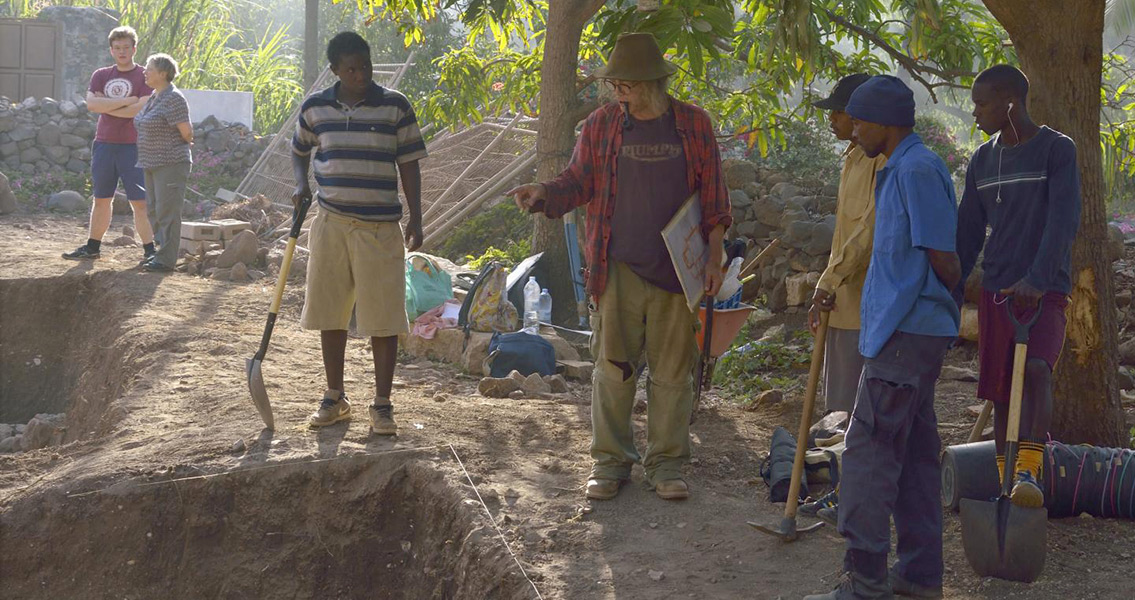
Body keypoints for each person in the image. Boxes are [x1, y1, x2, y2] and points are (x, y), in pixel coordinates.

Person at [507, 33, 732, 502]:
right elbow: (578, 180)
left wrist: (714, 256)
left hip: (676, 270)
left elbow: (714, 199)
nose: (617, 92)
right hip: (618, 266)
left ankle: (667, 464)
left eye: (626, 85)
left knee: (673, 373)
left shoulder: (693, 125)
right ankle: (610, 464)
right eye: (616, 84)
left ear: (652, 84)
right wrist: (545, 193)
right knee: (613, 370)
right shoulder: (602, 125)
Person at [805, 75, 961, 600]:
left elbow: (942, 255)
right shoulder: (898, 168)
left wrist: (937, 305)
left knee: (869, 454)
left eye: (861, 121)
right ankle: (918, 576)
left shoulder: (915, 169)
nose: (855, 132)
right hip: (904, 330)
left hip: (906, 332)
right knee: (915, 458)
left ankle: (865, 582)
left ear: (885, 123)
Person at [956, 64, 1081, 508]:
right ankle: (1005, 479)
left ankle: (1030, 469)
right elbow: (968, 234)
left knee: (1037, 371)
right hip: (998, 291)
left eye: (981, 103)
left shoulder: (1055, 150)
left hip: (1043, 290)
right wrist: (951, 288)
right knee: (1000, 385)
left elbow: (1064, 221)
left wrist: (1038, 279)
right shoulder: (982, 160)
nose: (974, 113)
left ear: (1010, 103)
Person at [291, 32, 427, 435]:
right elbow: (298, 151)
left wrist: (416, 218)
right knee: (330, 312)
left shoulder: (395, 106)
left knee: (384, 317)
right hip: (331, 223)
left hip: (381, 227)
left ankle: (382, 406)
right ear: (334, 70)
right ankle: (334, 396)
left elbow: (410, 165)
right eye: (350, 69)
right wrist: (300, 185)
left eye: (365, 66)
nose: (360, 74)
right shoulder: (316, 108)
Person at [801, 73, 888, 523]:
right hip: (844, 301)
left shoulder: (879, 162)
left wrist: (829, 281)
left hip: (868, 304)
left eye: (838, 111)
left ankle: (858, 498)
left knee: (861, 410)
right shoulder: (853, 157)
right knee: (844, 407)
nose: (832, 120)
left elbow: (867, 232)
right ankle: (846, 491)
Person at [63, 26, 154, 262]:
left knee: (139, 202)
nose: (122, 52)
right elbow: (92, 105)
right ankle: (93, 247)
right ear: (111, 50)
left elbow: (139, 109)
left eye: (126, 47)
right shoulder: (101, 74)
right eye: (117, 48)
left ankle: (150, 251)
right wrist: (127, 100)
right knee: (101, 198)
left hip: (133, 146)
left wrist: (110, 105)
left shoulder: (145, 75)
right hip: (104, 144)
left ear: (134, 48)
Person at [133, 54, 193, 273]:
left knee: (167, 211)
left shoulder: (174, 98)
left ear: (163, 73)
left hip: (170, 163)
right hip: (150, 162)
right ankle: (160, 253)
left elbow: (187, 132)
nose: (145, 72)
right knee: (154, 210)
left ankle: (167, 260)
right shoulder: (155, 96)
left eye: (149, 69)